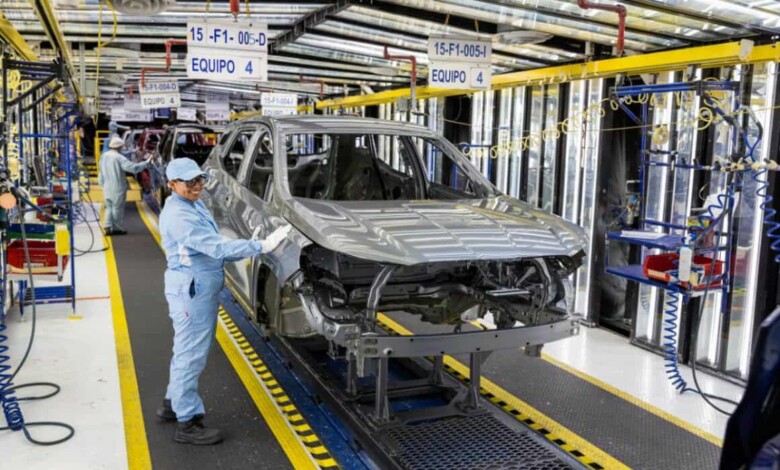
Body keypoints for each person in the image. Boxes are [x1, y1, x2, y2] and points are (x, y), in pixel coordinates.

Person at [156, 158, 291, 445]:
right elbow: (215, 247)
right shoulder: (179, 216)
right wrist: (261, 246)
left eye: (199, 180)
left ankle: (172, 404)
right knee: (191, 354)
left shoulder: (191, 204)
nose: (196, 186)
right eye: (189, 182)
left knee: (186, 350)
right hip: (192, 291)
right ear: (172, 184)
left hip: (196, 287)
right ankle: (187, 422)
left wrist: (249, 242)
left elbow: (213, 240)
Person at [99, 135, 149, 235]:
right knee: (117, 208)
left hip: (106, 186)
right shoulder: (119, 157)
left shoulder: (104, 156)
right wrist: (146, 163)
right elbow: (133, 168)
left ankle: (107, 226)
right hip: (117, 187)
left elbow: (101, 171)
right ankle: (117, 229)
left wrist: (101, 183)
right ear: (119, 147)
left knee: (109, 207)